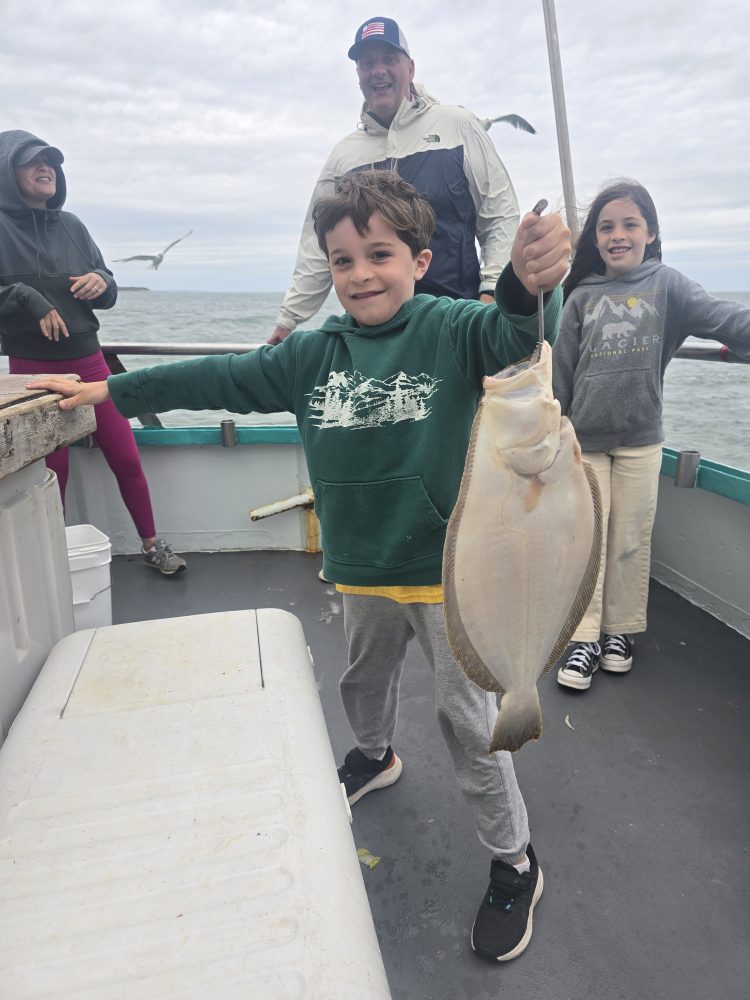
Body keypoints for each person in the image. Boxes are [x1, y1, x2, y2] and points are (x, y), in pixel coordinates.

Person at [29, 170, 571, 963]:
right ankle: (377, 754)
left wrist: (527, 282)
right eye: (343, 260)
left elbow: (513, 335)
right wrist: (100, 392)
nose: (360, 274)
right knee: (361, 680)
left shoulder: (452, 328)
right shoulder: (311, 354)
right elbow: (213, 377)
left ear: (421, 260)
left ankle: (515, 858)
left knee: (468, 724)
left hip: (452, 576)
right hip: (360, 568)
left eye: (379, 254)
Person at [553, 179, 750, 691]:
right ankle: (583, 637)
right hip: (584, 442)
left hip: (641, 438)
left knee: (629, 541)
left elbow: (726, 319)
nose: (617, 235)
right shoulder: (580, 297)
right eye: (606, 227)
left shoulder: (669, 285)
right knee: (588, 543)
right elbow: (562, 375)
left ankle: (619, 632)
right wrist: (556, 435)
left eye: (629, 224)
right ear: (595, 239)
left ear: (651, 231)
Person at [267, 15, 520, 345]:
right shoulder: (343, 157)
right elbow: (317, 249)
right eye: (367, 63)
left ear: (410, 68)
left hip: (454, 326)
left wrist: (490, 295)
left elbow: (500, 215)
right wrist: (286, 324)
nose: (378, 70)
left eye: (389, 59)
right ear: (358, 75)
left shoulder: (457, 126)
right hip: (373, 336)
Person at [0, 129, 186, 576]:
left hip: (89, 364)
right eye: (32, 162)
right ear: (8, 172)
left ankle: (152, 544)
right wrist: (27, 296)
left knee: (127, 459)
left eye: (51, 162)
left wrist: (104, 281)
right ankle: (55, 563)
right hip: (34, 373)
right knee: (52, 475)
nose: (46, 168)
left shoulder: (73, 226)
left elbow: (107, 285)